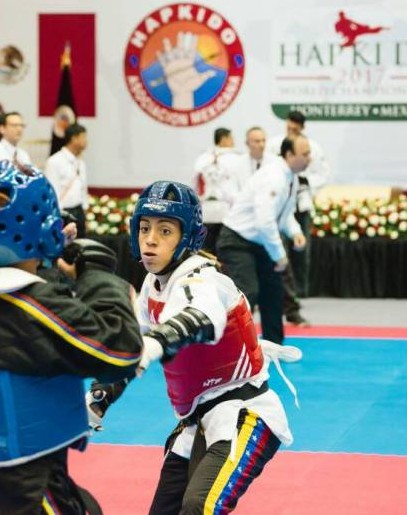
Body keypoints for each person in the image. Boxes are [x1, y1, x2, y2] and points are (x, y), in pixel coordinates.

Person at [0, 160, 144, 514]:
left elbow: (30, 339)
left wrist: (47, 268)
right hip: (20, 485)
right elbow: (120, 351)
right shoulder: (30, 306)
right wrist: (97, 276)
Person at [89, 180, 296, 514]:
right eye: (144, 228)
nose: (151, 239)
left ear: (186, 237)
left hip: (245, 414)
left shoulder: (203, 280)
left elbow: (203, 317)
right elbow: (129, 350)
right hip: (196, 423)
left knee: (200, 507)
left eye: (165, 230)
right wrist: (100, 397)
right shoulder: (152, 288)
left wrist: (158, 341)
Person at [217, 136, 311, 345]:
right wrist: (280, 257)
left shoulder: (291, 178)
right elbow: (264, 222)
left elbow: (284, 215)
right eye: (304, 154)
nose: (309, 159)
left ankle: (274, 346)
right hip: (236, 242)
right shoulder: (274, 176)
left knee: (273, 293)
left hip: (259, 243)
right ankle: (230, 347)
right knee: (247, 293)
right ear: (289, 155)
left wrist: (295, 231)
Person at [267, 110, 329, 304]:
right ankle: (279, 290)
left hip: (301, 202)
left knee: (302, 249)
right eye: (289, 127)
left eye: (295, 128)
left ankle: (301, 290)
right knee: (279, 248)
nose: (291, 131)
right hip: (280, 203)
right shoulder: (275, 144)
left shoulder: (314, 148)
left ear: (302, 128)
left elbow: (323, 173)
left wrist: (305, 180)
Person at [192, 127, 238, 253]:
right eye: (231, 138)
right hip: (227, 209)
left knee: (207, 249)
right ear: (223, 139)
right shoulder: (235, 158)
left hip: (206, 208)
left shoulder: (203, 157)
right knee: (227, 248)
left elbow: (194, 181)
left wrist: (198, 199)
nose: (233, 142)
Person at [45, 124, 89, 238]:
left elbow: (83, 189)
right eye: (83, 137)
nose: (86, 141)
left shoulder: (80, 162)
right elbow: (51, 191)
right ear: (74, 138)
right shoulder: (54, 161)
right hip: (63, 213)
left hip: (79, 211)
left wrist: (84, 214)